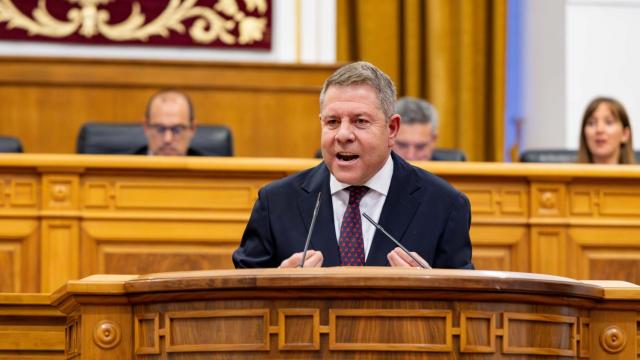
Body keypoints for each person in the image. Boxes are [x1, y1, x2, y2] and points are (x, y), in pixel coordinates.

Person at [233, 61, 473, 269]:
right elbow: (240, 301)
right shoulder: (276, 203)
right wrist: (273, 285)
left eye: (360, 121)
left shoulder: (444, 205)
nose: (343, 135)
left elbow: (465, 307)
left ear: (392, 129)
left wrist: (432, 289)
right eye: (333, 121)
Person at [137, 89, 201, 156]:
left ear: (192, 128)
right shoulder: (127, 164)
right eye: (160, 129)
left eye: (177, 130)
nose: (167, 139)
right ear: (146, 127)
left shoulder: (207, 165)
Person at [578, 97, 635, 164]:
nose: (599, 130)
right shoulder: (566, 173)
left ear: (625, 134)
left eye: (609, 122)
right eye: (591, 123)